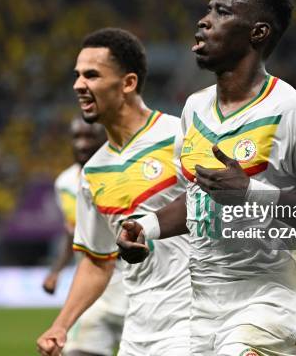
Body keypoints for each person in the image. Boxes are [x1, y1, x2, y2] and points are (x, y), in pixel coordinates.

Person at [118, 0, 296, 355]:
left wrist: (252, 193)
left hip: (270, 301)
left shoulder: (294, 113)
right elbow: (199, 199)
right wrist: (145, 228)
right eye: (207, 10)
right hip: (201, 307)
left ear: (258, 32)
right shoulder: (194, 108)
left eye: (222, 12)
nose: (204, 19)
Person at [36, 28, 191, 356]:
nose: (79, 85)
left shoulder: (181, 136)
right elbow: (97, 261)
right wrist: (61, 324)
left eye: (91, 75)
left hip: (196, 323)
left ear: (128, 83)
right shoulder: (93, 173)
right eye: (77, 76)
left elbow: (236, 205)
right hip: (139, 331)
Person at [42, 117, 127, 356]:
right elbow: (74, 232)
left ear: (105, 138)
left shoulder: (125, 174)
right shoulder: (65, 183)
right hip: (95, 286)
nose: (81, 144)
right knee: (76, 350)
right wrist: (56, 270)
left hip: (134, 283)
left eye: (89, 136)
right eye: (76, 137)